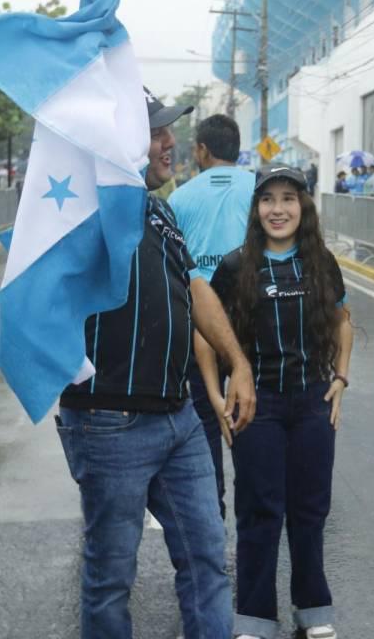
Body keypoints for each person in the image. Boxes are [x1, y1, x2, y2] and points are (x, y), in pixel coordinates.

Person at [55, 0, 256, 639]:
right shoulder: (87, 206)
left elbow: (193, 288)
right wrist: (95, 9)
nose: (172, 141)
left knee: (207, 558)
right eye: (157, 130)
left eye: (171, 129)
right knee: (110, 576)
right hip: (108, 421)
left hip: (178, 418)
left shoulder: (162, 212)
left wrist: (237, 362)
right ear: (119, 138)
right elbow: (73, 103)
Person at [200, 165, 353, 639]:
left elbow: (342, 320)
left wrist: (341, 378)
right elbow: (206, 333)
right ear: (255, 208)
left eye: (288, 198)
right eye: (268, 199)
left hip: (311, 401)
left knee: (310, 510)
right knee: (258, 511)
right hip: (257, 404)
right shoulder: (235, 266)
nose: (278, 209)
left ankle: (314, 610)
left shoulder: (321, 262)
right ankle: (254, 619)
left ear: (303, 206)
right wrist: (215, 394)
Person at [167, 113, 256, 519]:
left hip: (197, 324)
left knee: (205, 417)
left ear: (202, 150)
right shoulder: (261, 191)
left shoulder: (179, 198)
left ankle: (210, 512)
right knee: (249, 414)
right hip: (250, 325)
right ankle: (251, 511)